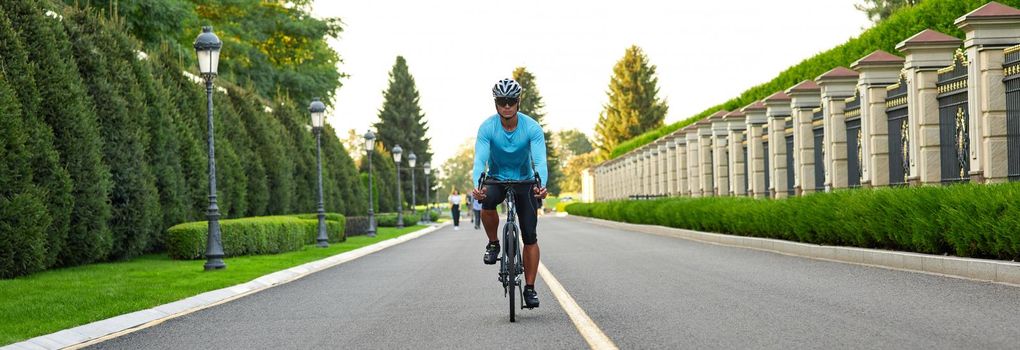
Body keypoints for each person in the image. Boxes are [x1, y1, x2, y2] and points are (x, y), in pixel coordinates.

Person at [471, 78, 548, 309]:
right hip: (497, 178)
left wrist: (540, 184)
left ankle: (530, 288)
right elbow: (479, 160)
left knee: (530, 235)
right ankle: (494, 243)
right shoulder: (487, 128)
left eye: (511, 101)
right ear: (496, 104)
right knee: (487, 202)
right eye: (502, 101)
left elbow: (540, 161)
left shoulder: (532, 127)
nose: (507, 106)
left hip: (524, 181)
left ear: (518, 102)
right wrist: (477, 184)